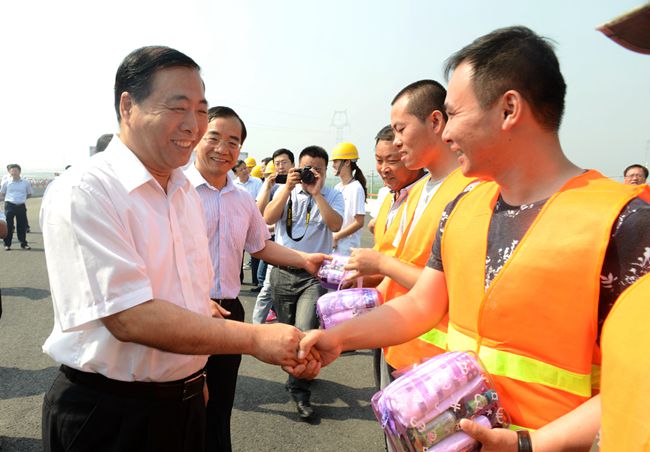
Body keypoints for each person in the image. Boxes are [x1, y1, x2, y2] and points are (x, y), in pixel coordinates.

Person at [297, 26, 650, 448]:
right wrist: (338, 337)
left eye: (455, 115)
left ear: (508, 109)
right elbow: (421, 304)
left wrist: (531, 444)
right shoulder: (462, 209)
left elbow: (636, 385)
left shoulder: (625, 224)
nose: (446, 133)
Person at [40, 45, 318, 452]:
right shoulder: (87, 190)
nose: (193, 125)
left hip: (183, 401)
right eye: (178, 107)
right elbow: (130, 317)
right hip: (110, 412)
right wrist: (256, 338)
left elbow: (189, 293)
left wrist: (192, 377)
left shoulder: (182, 191)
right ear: (128, 106)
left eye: (200, 110)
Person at [186, 105, 326, 452]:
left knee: (220, 406)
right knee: (185, 410)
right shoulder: (175, 190)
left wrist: (304, 260)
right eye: (214, 137)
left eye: (233, 142)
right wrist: (192, 300)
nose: (223, 148)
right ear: (197, 137)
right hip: (184, 312)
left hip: (229, 312)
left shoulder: (242, 199)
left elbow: (260, 245)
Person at [345, 80, 474, 393]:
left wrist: (381, 264)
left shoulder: (470, 191)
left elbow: (449, 289)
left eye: (401, 129)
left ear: (435, 122)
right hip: (399, 343)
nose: (398, 142)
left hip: (436, 362)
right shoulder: (414, 194)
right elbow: (400, 268)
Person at [264, 145, 344, 420]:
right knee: (288, 332)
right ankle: (297, 375)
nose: (311, 173)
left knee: (304, 331)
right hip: (282, 272)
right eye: (306, 168)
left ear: (325, 170)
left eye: (317, 169)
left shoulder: (332, 194)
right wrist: (287, 188)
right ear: (297, 168)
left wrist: (317, 193)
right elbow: (267, 218)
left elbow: (335, 225)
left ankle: (300, 391)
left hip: (313, 276)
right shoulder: (284, 189)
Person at [251, 150, 295, 324]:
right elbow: (258, 212)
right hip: (279, 248)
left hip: (298, 250)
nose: (281, 167)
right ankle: (256, 328)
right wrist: (267, 187)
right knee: (266, 291)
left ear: (293, 164)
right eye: (277, 163)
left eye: (284, 162)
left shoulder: (303, 186)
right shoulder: (275, 188)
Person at [331, 142, 367, 256]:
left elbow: (359, 222)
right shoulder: (337, 187)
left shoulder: (356, 188)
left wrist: (337, 236)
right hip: (334, 248)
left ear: (347, 162)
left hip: (347, 250)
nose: (333, 165)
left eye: (336, 161)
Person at [1, 163, 33, 250]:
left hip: (21, 205)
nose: (14, 172)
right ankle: (7, 244)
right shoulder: (6, 182)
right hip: (9, 205)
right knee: (9, 225)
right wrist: (12, 199)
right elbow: (2, 193)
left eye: (15, 170)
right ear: (9, 172)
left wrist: (21, 199)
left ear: (19, 171)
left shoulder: (25, 182)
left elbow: (29, 194)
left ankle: (23, 243)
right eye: (12, 171)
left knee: (22, 225)